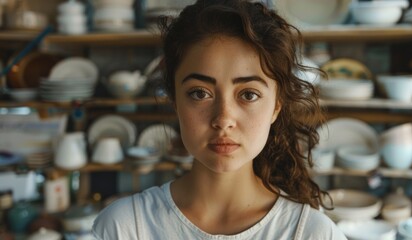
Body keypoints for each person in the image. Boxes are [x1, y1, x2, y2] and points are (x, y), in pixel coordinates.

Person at [93, 0, 346, 239]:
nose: (224, 119)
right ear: (175, 100)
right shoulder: (124, 227)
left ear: (276, 106)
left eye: (248, 94)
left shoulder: (312, 233)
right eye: (200, 93)